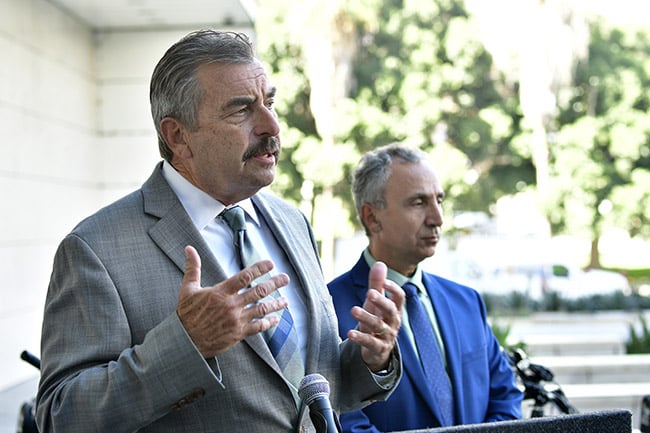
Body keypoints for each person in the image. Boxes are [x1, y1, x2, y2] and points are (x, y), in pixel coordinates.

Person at [35, 30, 405, 433]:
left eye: (270, 103)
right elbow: (61, 416)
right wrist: (187, 345)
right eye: (241, 110)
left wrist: (371, 358)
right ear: (177, 136)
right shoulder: (96, 249)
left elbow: (308, 389)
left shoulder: (292, 222)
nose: (271, 125)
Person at [328, 144, 523, 432]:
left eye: (439, 200)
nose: (437, 219)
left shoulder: (466, 302)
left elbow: (505, 396)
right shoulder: (326, 307)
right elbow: (341, 419)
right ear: (372, 217)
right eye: (418, 203)